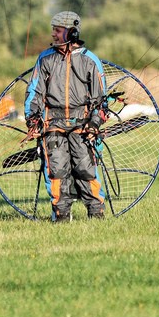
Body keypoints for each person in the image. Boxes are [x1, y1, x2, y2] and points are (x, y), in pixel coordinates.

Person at [24, 11, 107, 222]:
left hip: (83, 125)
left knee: (85, 168)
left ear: (71, 32)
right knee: (57, 170)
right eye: (53, 30)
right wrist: (32, 118)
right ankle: (61, 214)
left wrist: (95, 122)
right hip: (52, 124)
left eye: (57, 30)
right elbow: (34, 92)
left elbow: (100, 99)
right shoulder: (45, 59)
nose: (53, 34)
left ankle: (96, 212)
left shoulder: (90, 61)